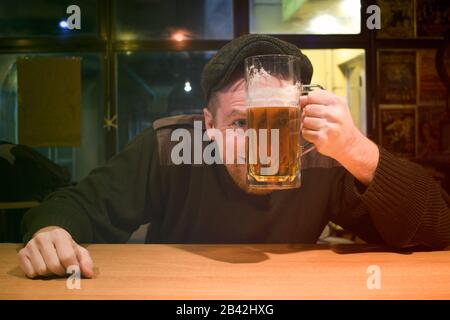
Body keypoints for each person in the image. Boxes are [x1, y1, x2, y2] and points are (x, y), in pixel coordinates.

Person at [18, 34, 450, 279]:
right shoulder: (170, 146)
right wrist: (53, 230)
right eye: (241, 124)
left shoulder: (322, 156)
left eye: (277, 122)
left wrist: (357, 150)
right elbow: (74, 205)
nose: (261, 143)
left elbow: (438, 227)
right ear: (208, 123)